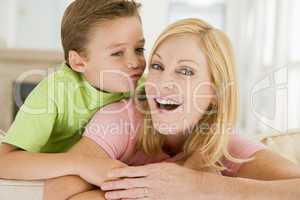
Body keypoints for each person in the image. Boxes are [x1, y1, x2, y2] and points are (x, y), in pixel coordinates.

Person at [43, 18, 300, 200]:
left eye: (185, 71)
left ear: (214, 93)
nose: (163, 82)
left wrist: (203, 187)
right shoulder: (122, 119)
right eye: (157, 66)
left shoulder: (227, 149)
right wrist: (148, 189)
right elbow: (57, 193)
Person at [0, 0, 145, 185]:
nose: (135, 62)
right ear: (79, 62)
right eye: (117, 53)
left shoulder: (141, 84)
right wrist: (80, 163)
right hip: (41, 180)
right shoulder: (53, 93)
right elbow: (3, 162)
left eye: (139, 49)